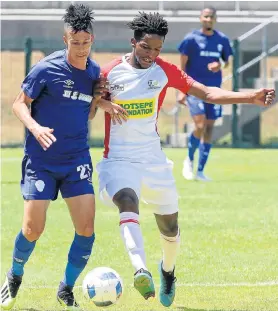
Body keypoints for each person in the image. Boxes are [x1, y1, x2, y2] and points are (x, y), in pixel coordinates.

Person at [96, 11, 275, 308]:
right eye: (145, 48)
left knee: (169, 226)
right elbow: (86, 105)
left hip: (153, 161)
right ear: (133, 42)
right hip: (118, 159)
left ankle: (167, 271)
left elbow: (206, 92)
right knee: (127, 200)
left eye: (157, 49)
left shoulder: (164, 70)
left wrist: (249, 97)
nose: (151, 54)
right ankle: (140, 269)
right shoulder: (107, 73)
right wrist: (101, 101)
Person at [0, 4, 126, 311]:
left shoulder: (94, 73)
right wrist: (35, 126)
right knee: (33, 229)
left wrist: (102, 103)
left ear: (92, 40)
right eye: (75, 42)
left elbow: (90, 111)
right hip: (41, 161)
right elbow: (19, 104)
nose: (81, 48)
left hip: (76, 160)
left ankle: (66, 289)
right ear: (65, 39)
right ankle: (14, 276)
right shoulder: (46, 68)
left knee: (86, 230)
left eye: (86, 43)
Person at [178, 6, 233, 181]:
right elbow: (182, 67)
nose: (209, 19)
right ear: (201, 18)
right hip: (195, 89)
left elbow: (227, 62)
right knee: (200, 125)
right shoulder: (191, 39)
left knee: (209, 129)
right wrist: (182, 91)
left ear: (215, 19)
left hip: (214, 90)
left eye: (212, 17)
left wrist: (220, 65)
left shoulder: (222, 39)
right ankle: (189, 159)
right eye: (206, 16)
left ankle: (200, 171)